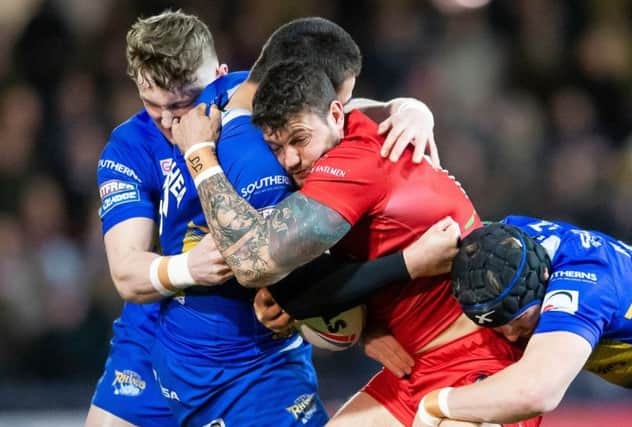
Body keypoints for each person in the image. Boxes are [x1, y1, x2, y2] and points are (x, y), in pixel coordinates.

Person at [172, 61, 541, 427]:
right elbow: (297, 288)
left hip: (480, 361)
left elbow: (255, 262)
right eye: (276, 147)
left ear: (335, 114)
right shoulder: (357, 130)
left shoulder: (351, 167)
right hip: (416, 366)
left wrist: (200, 155)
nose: (290, 160)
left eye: (299, 140)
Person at [153, 16, 446, 427]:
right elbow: (260, 266)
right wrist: (405, 269)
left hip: (193, 350)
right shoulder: (266, 168)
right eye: (335, 100)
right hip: (241, 372)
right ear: (297, 83)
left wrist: (408, 107)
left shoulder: (224, 94)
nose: (343, 122)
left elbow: (345, 112)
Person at [87, 10, 232, 427]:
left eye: (184, 103)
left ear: (219, 76)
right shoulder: (129, 147)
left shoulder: (246, 103)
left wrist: (402, 108)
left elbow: (327, 108)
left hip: (249, 341)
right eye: (153, 105)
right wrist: (191, 267)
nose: (170, 121)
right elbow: (126, 272)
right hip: (153, 335)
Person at [413, 217, 632, 427]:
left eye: (519, 320)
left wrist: (434, 404)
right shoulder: (500, 242)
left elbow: (534, 393)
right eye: (499, 325)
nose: (511, 336)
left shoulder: (583, 288)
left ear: (544, 278)